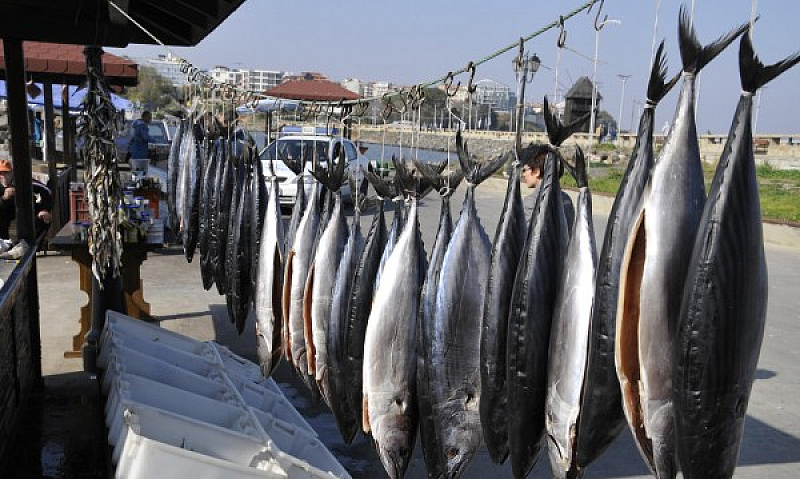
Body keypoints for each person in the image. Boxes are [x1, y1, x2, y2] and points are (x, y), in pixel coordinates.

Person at [520, 143, 575, 234]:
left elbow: (524, 239)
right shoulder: (566, 199)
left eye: (525, 170)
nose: (523, 174)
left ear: (536, 171)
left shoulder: (531, 203)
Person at [0, 159, 53, 241]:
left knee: (44, 218)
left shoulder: (23, 181)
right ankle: (4, 244)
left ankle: (32, 246)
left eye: (6, 173)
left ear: (12, 173)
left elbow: (46, 190)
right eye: (0, 173)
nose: (3, 176)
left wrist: (44, 209)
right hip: (7, 213)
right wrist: (4, 198)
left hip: (28, 210)